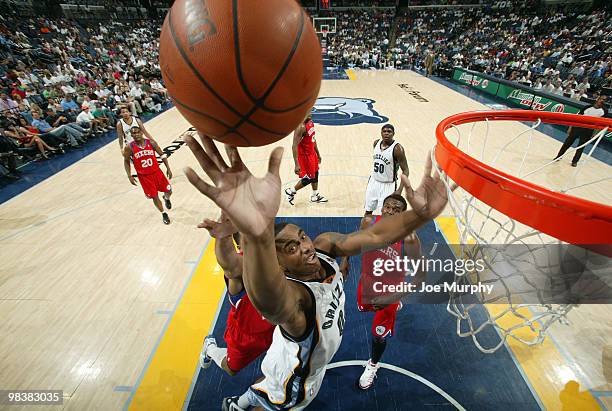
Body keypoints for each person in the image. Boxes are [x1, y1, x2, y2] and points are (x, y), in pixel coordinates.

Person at [183, 134, 450, 411]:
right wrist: (257, 237)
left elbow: (374, 235)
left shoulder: (323, 246)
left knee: (263, 384)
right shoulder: (295, 299)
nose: (305, 246)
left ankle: (242, 401)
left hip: (298, 357)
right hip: (294, 378)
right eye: (290, 248)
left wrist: (421, 215)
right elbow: (267, 299)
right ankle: (237, 402)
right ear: (279, 266)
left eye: (301, 237)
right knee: (269, 397)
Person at [356, 194, 425, 390]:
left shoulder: (409, 239)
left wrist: (392, 298)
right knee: (363, 308)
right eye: (388, 207)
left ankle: (372, 365)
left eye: (396, 210)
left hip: (390, 292)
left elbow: (420, 277)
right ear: (381, 207)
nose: (390, 212)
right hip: (367, 282)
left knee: (378, 335)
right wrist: (344, 262)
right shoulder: (368, 222)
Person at [198, 213, 275, 376]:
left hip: (275, 326)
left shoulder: (275, 258)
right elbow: (230, 265)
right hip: (245, 338)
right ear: (240, 246)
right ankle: (210, 348)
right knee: (231, 369)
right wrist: (223, 236)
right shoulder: (241, 269)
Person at [123, 126, 173, 224]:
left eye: (137, 132)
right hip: (144, 177)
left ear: (141, 132)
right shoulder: (129, 147)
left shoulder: (151, 143)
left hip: (157, 172)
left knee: (169, 191)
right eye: (133, 133)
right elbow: (126, 161)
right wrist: (129, 175)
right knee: (154, 196)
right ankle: (163, 213)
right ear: (131, 135)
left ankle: (166, 198)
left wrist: (168, 168)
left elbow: (162, 155)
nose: (136, 134)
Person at [364, 124, 409, 216]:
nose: (386, 133)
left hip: (388, 185)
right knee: (368, 210)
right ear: (381, 133)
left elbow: (406, 170)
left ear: (393, 134)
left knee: (386, 214)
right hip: (374, 182)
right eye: (384, 131)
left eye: (389, 132)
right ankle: (365, 228)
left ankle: (385, 230)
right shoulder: (376, 143)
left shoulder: (397, 149)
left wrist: (400, 190)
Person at [284, 112, 327, 205]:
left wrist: (318, 153)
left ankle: (314, 196)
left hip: (312, 153)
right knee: (309, 178)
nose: (310, 113)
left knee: (315, 173)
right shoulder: (300, 127)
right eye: (307, 112)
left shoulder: (310, 122)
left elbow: (313, 139)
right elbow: (294, 146)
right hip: (305, 156)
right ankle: (291, 191)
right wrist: (296, 164)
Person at [554, 94, 609, 166]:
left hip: (588, 130)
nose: (602, 101)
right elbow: (577, 117)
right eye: (601, 99)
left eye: (604, 100)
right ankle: (559, 156)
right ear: (597, 99)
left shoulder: (604, 111)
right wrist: (570, 127)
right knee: (567, 143)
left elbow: (602, 123)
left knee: (581, 146)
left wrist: (595, 133)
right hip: (577, 127)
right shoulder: (587, 107)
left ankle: (575, 161)